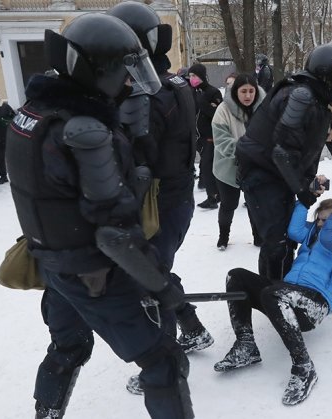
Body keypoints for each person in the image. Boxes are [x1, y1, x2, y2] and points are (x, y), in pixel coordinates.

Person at [4, 13, 193, 418]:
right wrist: (162, 288)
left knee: (69, 345)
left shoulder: (34, 112)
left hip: (55, 264)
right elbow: (115, 235)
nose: (128, 82)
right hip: (93, 274)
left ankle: (47, 413)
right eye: (123, 72)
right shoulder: (85, 131)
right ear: (97, 70)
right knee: (163, 360)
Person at [107, 0, 214, 382]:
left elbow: (136, 159)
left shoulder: (144, 93)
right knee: (155, 270)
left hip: (156, 200)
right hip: (176, 195)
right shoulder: (176, 82)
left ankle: (169, 363)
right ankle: (194, 328)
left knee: (148, 282)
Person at [214, 198, 332, 405]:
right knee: (237, 276)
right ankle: (246, 345)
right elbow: (294, 229)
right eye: (319, 219)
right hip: (288, 292)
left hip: (316, 302)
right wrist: (306, 199)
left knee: (272, 293)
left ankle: (304, 367)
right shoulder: (313, 233)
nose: (321, 224)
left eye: (326, 220)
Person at [235, 43, 332, 284]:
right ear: (326, 73)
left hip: (277, 173)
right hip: (261, 174)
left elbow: (301, 148)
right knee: (277, 241)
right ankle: (275, 293)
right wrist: (302, 190)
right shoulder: (301, 96)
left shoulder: (315, 97)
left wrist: (307, 179)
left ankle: (284, 288)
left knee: (287, 237)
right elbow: (281, 152)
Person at [211, 73, 265, 250]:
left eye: (251, 91)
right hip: (227, 168)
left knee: (254, 204)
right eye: (243, 91)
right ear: (235, 92)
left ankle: (258, 236)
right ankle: (223, 237)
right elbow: (222, 142)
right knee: (229, 204)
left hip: (255, 167)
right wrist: (250, 149)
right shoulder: (223, 110)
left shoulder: (264, 108)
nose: (248, 95)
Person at [189, 63, 223, 209]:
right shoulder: (192, 92)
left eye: (194, 76)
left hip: (210, 137)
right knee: (206, 167)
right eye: (190, 76)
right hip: (198, 137)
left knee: (208, 168)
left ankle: (213, 197)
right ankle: (215, 195)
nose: (192, 79)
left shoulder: (213, 92)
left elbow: (217, 114)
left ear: (202, 76)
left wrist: (203, 103)